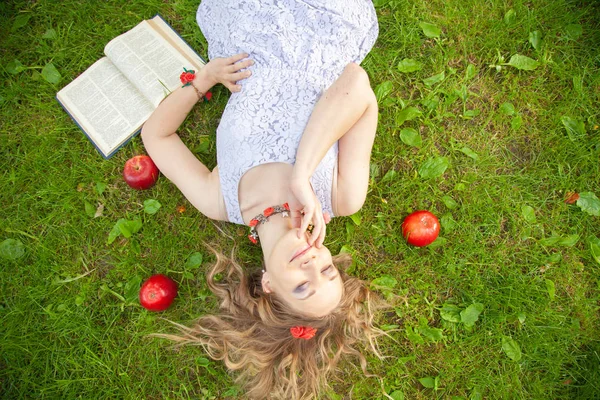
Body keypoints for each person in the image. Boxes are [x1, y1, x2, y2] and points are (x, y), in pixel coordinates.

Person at [143, 1, 384, 398]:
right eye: (327, 272)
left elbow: (156, 136)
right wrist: (302, 173)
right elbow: (357, 84)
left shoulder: (219, 200)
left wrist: (202, 81)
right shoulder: (342, 197)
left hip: (250, 29)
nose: (313, 266)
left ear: (268, 284)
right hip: (326, 27)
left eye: (302, 287)